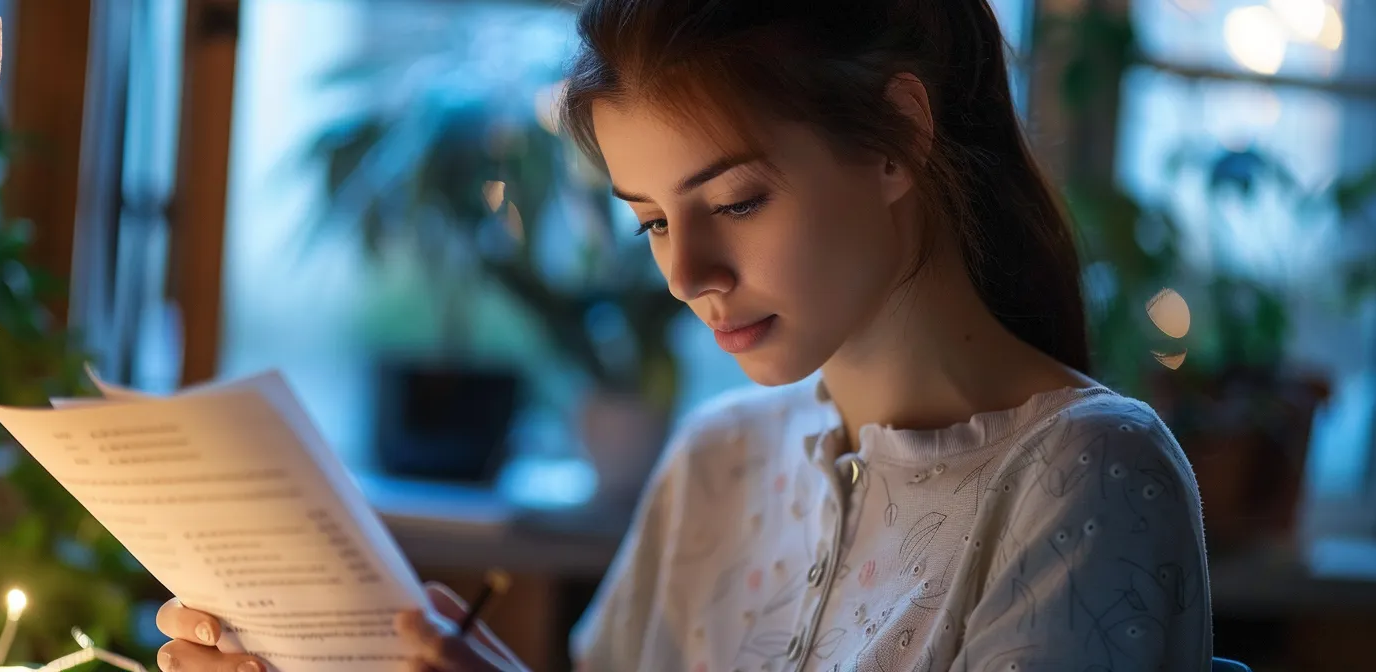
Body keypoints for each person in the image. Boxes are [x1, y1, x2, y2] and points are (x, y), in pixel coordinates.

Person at [154, 0, 1213, 669]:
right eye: (652, 220)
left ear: (896, 135)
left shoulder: (1083, 473)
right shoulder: (714, 463)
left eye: (738, 201)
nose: (684, 274)